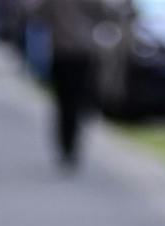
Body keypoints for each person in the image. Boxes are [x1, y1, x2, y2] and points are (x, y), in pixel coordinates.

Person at [35, 0, 114, 167]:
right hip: (80, 51)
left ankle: (66, 146)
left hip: (63, 51)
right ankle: (71, 146)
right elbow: (104, 14)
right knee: (75, 101)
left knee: (65, 103)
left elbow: (39, 16)